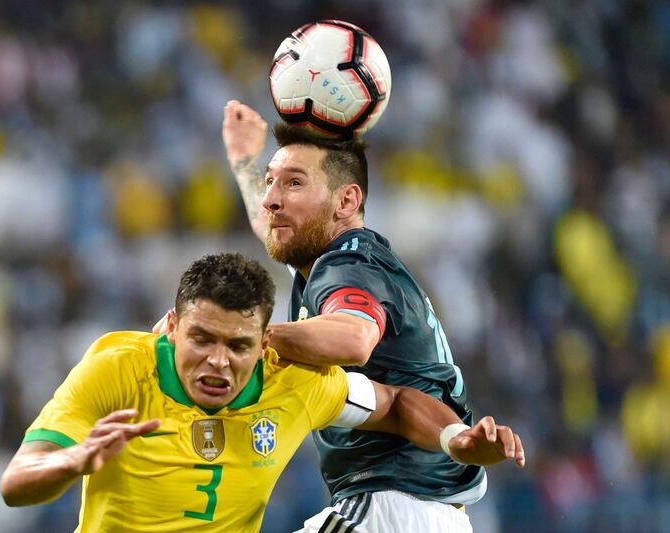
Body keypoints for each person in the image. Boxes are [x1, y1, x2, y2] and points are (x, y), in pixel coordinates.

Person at [2, 253, 523, 533]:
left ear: (264, 341)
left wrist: (457, 438)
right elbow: (16, 483)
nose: (218, 361)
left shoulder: (289, 379)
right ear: (170, 327)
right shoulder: (117, 369)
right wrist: (74, 460)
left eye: (238, 345)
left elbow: (394, 403)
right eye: (201, 339)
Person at [208, 100, 500, 531]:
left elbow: (354, 338)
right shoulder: (334, 255)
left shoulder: (346, 268)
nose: (271, 199)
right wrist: (243, 160)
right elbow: (269, 219)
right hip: (427, 513)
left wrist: (240, 335)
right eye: (270, 183)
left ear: (346, 200)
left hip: (388, 507)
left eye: (293, 183)